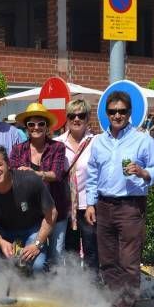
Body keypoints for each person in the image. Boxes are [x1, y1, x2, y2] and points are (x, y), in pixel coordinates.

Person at [85, 91, 154, 307]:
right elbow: (91, 175)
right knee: (108, 262)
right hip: (104, 205)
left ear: (129, 113)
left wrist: (144, 172)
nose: (117, 115)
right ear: (106, 114)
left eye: (121, 111)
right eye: (112, 112)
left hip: (131, 206)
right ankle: (113, 303)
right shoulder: (98, 141)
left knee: (129, 263)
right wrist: (90, 203)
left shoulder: (143, 140)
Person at [0, 145, 56, 276]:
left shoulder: (30, 180)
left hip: (32, 229)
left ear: (8, 164)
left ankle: (39, 292)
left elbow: (51, 213)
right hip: (2, 232)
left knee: (38, 266)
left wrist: (37, 244)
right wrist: (1, 243)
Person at [9, 102, 68, 267]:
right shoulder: (18, 149)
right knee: (31, 258)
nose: (36, 127)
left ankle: (54, 291)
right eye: (31, 124)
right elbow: (12, 176)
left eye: (41, 123)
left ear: (47, 126)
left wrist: (33, 173)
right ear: (26, 127)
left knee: (56, 256)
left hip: (56, 209)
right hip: (31, 213)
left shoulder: (57, 147)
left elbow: (56, 174)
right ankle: (33, 290)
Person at [53, 98, 98, 274]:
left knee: (91, 249)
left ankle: (92, 288)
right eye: (72, 115)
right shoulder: (57, 143)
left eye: (81, 115)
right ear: (67, 118)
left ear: (88, 118)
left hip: (88, 205)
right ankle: (74, 288)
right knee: (69, 250)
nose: (76, 119)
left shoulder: (96, 142)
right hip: (65, 206)